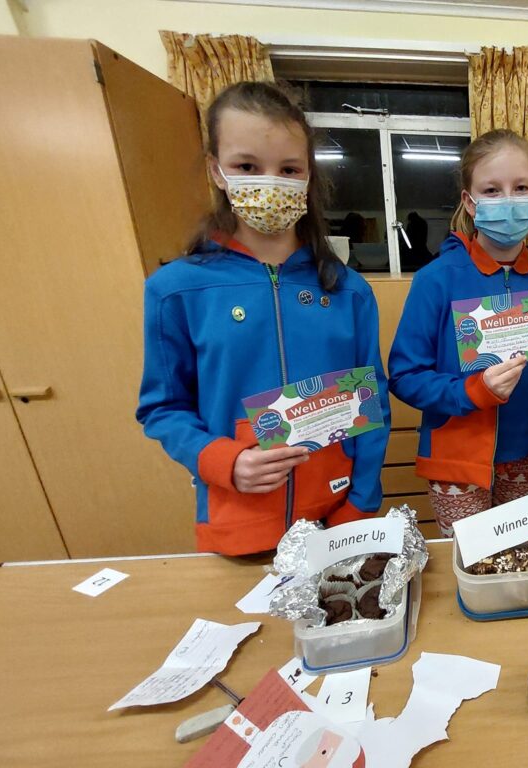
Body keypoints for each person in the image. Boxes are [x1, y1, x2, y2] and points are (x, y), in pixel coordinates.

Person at [137, 82, 390, 555]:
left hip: (338, 521)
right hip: (239, 524)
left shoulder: (349, 290)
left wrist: (360, 503)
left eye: (289, 169)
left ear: (308, 176)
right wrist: (222, 461)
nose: (270, 182)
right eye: (247, 167)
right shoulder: (175, 290)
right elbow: (163, 408)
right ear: (216, 170)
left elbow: (371, 403)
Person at [388, 130, 528, 537]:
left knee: (521, 561)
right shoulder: (437, 280)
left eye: (521, 188)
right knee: (470, 562)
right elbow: (404, 376)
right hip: (457, 464)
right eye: (492, 190)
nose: (509, 200)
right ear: (470, 202)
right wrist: (472, 392)